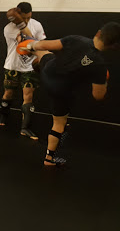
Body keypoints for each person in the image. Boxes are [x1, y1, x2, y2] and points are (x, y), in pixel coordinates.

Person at [19, 22, 120, 166]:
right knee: (59, 124)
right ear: (114, 47)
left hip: (48, 72)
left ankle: (28, 50)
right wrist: (105, 81)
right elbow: (98, 96)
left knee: (43, 52)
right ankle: (49, 159)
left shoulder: (76, 39)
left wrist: (30, 46)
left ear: (98, 33)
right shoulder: (100, 67)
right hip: (60, 90)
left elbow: (44, 45)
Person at [0, 2, 46, 140]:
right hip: (12, 65)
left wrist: (41, 58)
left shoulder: (37, 25)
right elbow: (27, 41)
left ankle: (25, 128)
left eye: (29, 18)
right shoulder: (9, 28)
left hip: (29, 67)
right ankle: (4, 114)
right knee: (8, 93)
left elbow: (41, 43)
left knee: (28, 96)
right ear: (18, 15)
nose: (26, 21)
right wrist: (20, 23)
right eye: (23, 18)